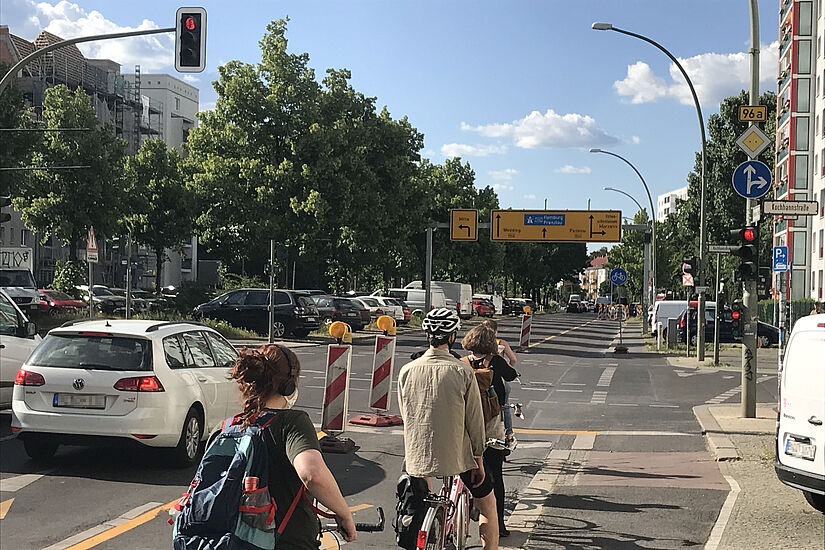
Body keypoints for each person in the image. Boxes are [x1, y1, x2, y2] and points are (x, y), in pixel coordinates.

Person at [230, 344, 356, 549]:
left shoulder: (229, 428)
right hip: (286, 541)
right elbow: (312, 474)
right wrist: (344, 514)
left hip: (234, 540)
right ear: (289, 385)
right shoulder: (291, 422)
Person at [397, 308, 499, 549]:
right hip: (457, 457)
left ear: (426, 335)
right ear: (452, 337)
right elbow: (474, 421)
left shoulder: (406, 371)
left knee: (422, 492)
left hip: (417, 457)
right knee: (488, 505)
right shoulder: (461, 371)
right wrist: (479, 460)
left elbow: (407, 415)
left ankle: (431, 521)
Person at [461, 325, 518, 538]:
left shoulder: (463, 363)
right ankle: (499, 524)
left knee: (467, 470)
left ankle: (464, 513)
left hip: (467, 423)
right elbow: (511, 375)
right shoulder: (495, 361)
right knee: (495, 474)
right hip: (491, 424)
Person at [481, 319, 518, 447]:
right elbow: (513, 359)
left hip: (483, 380)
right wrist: (505, 368)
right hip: (500, 380)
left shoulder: (478, 344)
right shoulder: (501, 343)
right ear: (496, 331)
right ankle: (509, 435)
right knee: (505, 406)